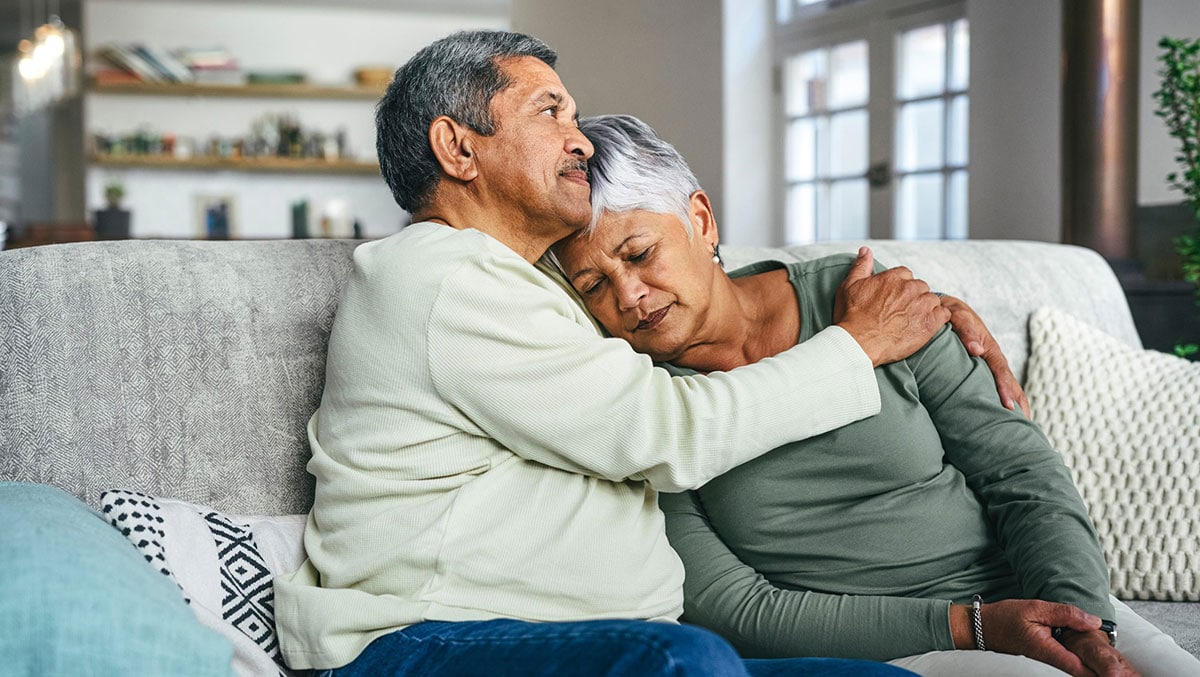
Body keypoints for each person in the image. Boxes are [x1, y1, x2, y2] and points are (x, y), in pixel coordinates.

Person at [272, 29, 1003, 676]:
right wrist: (861, 342)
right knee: (682, 662)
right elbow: (669, 429)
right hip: (431, 640)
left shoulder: (537, 287)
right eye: (549, 111)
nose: (580, 139)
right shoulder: (437, 277)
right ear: (458, 148)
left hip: (592, 642)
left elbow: (687, 276)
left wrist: (914, 306)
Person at [550, 113, 1200, 677]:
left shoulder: (869, 300)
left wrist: (1081, 620)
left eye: (639, 253)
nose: (629, 295)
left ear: (699, 218)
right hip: (899, 647)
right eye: (593, 284)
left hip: (1040, 596)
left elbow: (1023, 473)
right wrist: (977, 624)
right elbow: (735, 608)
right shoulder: (638, 403)